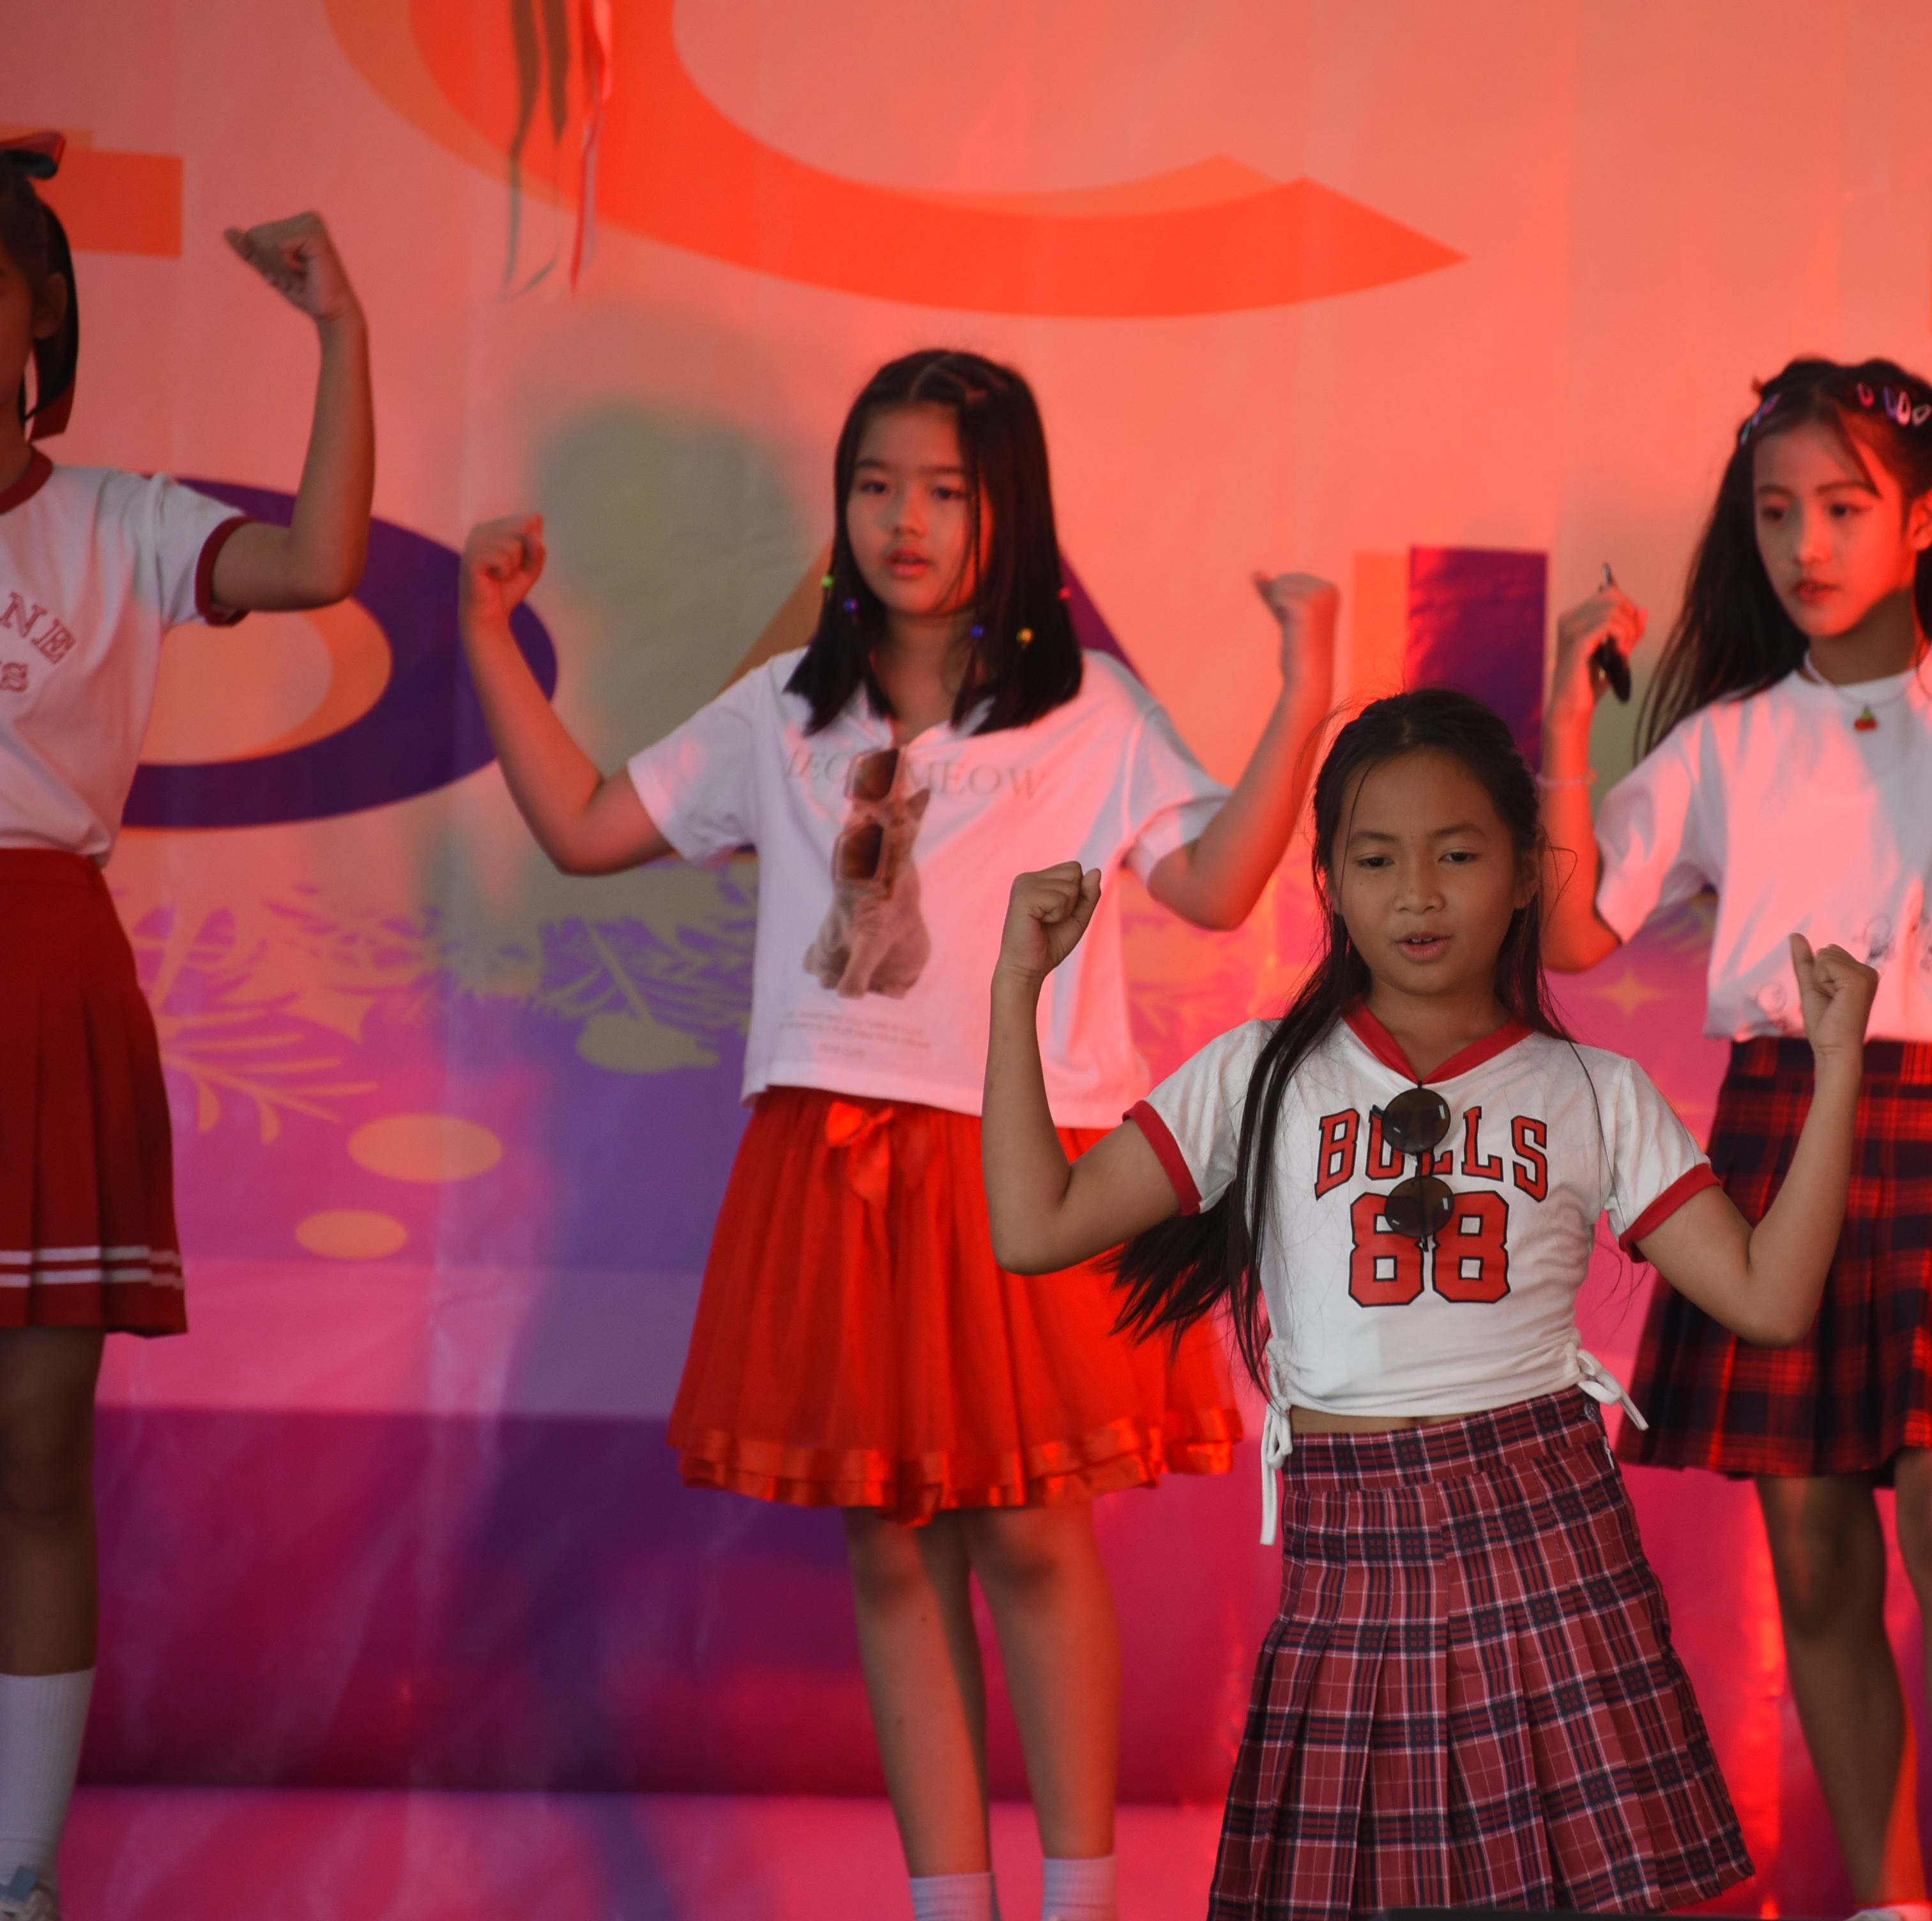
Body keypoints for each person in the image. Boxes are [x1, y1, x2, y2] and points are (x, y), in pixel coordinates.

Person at [457, 348, 1335, 1921]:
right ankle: (950, 1901)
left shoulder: (1090, 712)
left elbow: (1215, 886)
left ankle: (1079, 1900)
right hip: (833, 1163)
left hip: (1019, 1167)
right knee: (888, 1541)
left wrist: (1306, 693)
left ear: (1013, 511)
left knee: (1030, 1533)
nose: (905, 520)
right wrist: (483, 637)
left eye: (945, 488)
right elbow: (587, 828)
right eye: (877, 485)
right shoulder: (787, 714)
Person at [977, 688, 1880, 1919]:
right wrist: (1014, 988)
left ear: (1526, 874)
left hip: (1543, 1521)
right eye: (1376, 860)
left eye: (1457, 855)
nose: (1417, 895)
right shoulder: (1259, 1074)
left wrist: (1839, 1066)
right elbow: (1035, 1227)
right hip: (1350, 1543)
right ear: (1329, 885)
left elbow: (1771, 1297)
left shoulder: (1593, 1089)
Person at [1537, 358, 1932, 1921]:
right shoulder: (1731, 738)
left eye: (1845, 508)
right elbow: (1577, 930)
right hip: (1783, 1122)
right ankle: (1889, 1897)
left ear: (1925, 519)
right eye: (1777, 510)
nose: (1805, 543)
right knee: (1811, 1546)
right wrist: (1568, 725)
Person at [0, 133, 374, 1921]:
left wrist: (341, 330)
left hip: (44, 984)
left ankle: (19, 1870)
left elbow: (318, 559)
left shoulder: (115, 523)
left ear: (40, 319)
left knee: (31, 1450)